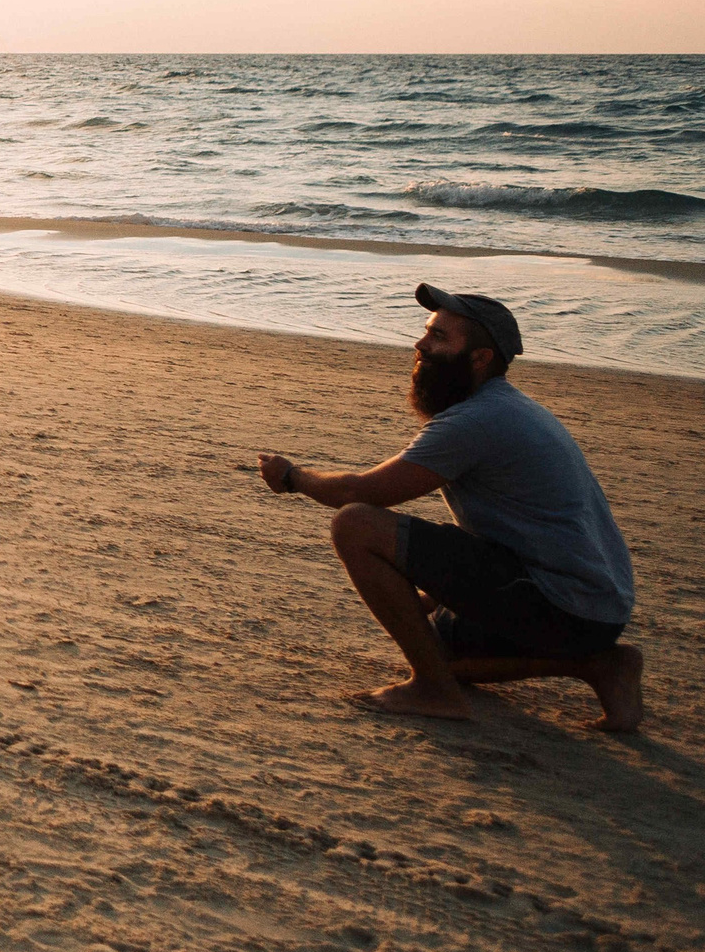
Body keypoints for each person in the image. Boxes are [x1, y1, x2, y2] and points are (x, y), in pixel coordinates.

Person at [256, 285, 640, 732]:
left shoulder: (477, 421)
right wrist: (429, 599)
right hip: (591, 607)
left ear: (479, 359)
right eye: (426, 333)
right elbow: (502, 533)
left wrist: (292, 478)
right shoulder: (504, 409)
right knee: (437, 644)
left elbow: (362, 491)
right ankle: (599, 665)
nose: (420, 345)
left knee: (356, 524)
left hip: (565, 600)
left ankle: (434, 690)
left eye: (439, 337)